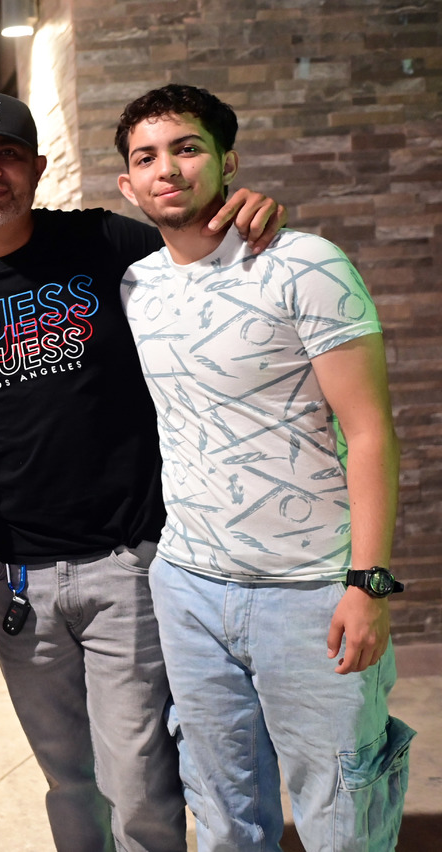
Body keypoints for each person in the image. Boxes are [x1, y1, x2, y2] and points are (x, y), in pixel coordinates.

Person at [0, 90, 286, 852]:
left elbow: (204, 247)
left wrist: (250, 209)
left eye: (7, 155)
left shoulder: (104, 243)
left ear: (37, 168)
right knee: (69, 779)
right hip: (16, 578)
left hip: (125, 563)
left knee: (138, 781)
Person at [115, 83, 414, 852]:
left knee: (342, 812)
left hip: (311, 592)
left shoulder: (303, 264)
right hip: (188, 587)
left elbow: (372, 432)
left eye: (186, 149)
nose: (166, 170)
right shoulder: (136, 288)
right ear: (127, 185)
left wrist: (367, 581)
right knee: (219, 813)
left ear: (227, 162)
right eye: (146, 157)